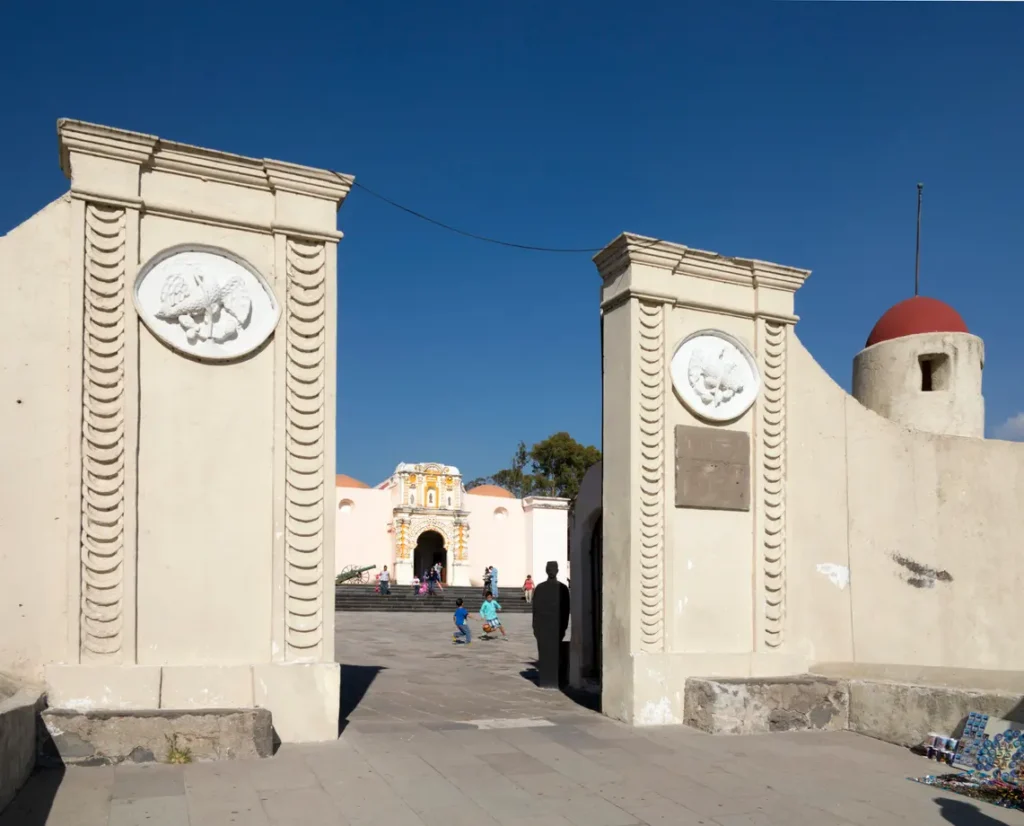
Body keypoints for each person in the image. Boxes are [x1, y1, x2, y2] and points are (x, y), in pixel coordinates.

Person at [532, 561, 570, 688]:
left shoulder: (563, 588)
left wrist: (563, 627)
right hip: (543, 627)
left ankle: (554, 679)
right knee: (544, 654)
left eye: (553, 569)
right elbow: (535, 609)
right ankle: (546, 679)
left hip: (556, 627)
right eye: (549, 568)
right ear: (546, 570)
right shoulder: (540, 588)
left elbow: (566, 610)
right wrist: (535, 627)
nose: (551, 571)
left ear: (558, 570)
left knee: (555, 654)